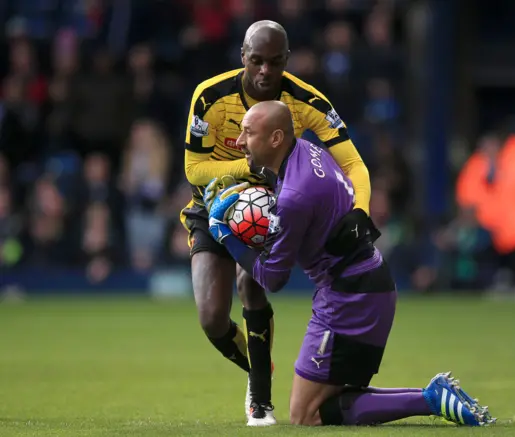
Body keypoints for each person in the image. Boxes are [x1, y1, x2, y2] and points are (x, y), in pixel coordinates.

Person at [205, 100, 496, 426]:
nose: (239, 141)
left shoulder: (294, 199)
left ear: (275, 139)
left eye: (247, 133)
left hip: (349, 298)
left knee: (306, 415)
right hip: (369, 285)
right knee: (329, 402)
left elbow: (273, 278)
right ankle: (433, 396)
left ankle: (430, 398)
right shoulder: (306, 150)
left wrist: (223, 234)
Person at [180, 20, 377, 426]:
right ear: (243, 58)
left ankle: (260, 398)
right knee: (211, 317)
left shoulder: (308, 101)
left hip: (268, 201)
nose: (265, 71)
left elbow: (353, 162)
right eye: (257, 61)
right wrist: (244, 168)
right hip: (214, 204)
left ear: (286, 60)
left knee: (250, 281)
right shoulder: (209, 97)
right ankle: (260, 364)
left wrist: (363, 209)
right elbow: (192, 168)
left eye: (274, 62)